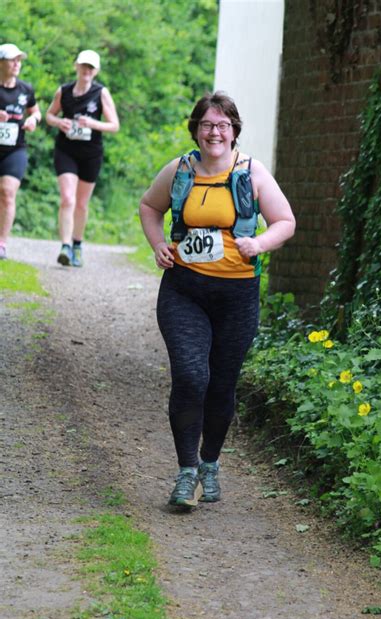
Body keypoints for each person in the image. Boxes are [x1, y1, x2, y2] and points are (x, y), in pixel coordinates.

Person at [139, 91, 296, 509]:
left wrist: (258, 243)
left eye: (223, 125)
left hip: (237, 296)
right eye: (207, 125)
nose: (215, 132)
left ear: (234, 131)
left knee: (222, 384)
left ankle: (210, 462)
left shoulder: (252, 172)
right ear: (196, 130)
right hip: (184, 291)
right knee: (191, 377)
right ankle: (186, 472)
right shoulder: (179, 170)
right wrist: (158, 244)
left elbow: (285, 222)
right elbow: (149, 207)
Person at [45, 50, 119, 267]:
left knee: (82, 204)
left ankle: (77, 244)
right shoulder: (64, 91)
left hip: (91, 153)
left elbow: (114, 125)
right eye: (83, 66)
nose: (87, 70)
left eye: (91, 67)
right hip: (66, 150)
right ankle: (65, 246)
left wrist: (93, 123)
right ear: (76, 66)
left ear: (96, 71)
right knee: (68, 198)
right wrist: (60, 123)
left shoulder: (101, 93)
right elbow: (49, 115)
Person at [0, 43, 41, 260]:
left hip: (15, 149)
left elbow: (36, 112)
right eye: (12, 60)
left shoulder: (25, 89)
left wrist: (33, 119)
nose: (17, 64)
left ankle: (2, 244)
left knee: (7, 192)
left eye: (19, 60)